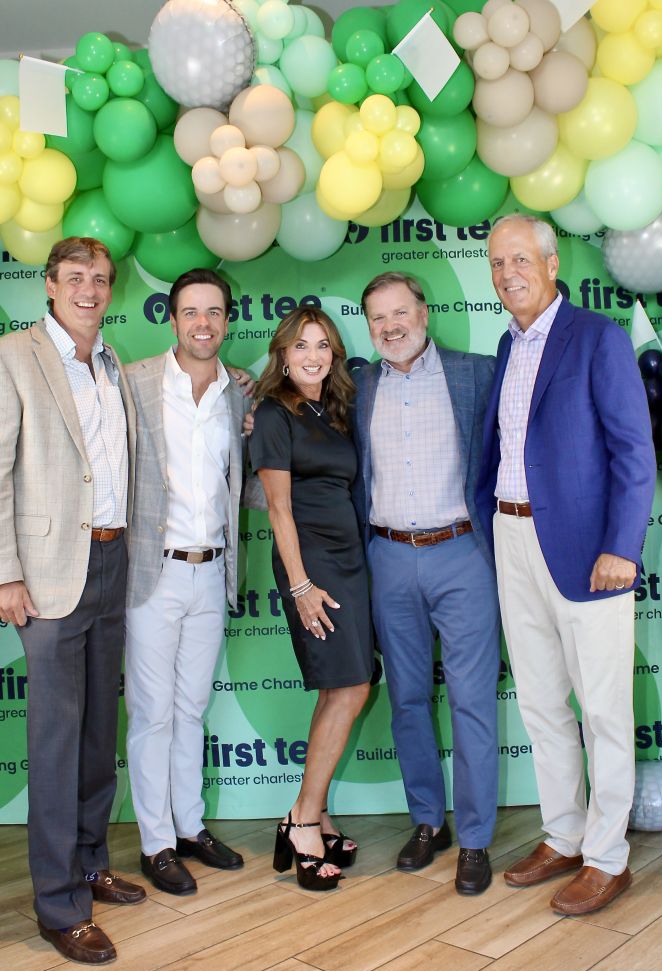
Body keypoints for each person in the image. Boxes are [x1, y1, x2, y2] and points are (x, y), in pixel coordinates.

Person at [0, 237, 145, 966]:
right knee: (57, 738)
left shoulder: (113, 365)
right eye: (75, 278)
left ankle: (91, 859)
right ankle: (58, 904)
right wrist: (1, 573)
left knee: (100, 730)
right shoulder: (9, 359)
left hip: (112, 560)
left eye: (100, 279)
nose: (89, 289)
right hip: (44, 575)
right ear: (48, 285)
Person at [477, 213, 656, 915]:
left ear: (551, 264)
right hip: (513, 539)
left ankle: (608, 859)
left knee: (603, 711)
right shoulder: (507, 344)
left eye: (519, 259)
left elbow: (633, 454)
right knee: (542, 703)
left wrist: (623, 547)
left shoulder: (598, 339)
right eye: (496, 264)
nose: (507, 274)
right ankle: (564, 836)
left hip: (589, 552)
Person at [353, 273, 499, 895]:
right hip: (387, 556)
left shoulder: (478, 373)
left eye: (399, 312)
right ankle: (425, 822)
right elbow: (292, 398)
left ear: (424, 313)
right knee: (407, 697)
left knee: (471, 701)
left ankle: (474, 838)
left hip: (462, 550)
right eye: (377, 318)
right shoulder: (356, 385)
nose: (390, 326)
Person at [124, 268, 261, 894]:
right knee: (153, 715)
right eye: (190, 312)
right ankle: (155, 843)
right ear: (172, 319)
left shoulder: (240, 394)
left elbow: (250, 485)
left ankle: (188, 825)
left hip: (214, 573)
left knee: (190, 708)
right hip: (152, 574)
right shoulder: (135, 383)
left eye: (214, 312)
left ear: (227, 320)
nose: (202, 323)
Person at [250, 306, 373, 891]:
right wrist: (300, 585)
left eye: (323, 345)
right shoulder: (274, 414)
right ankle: (300, 820)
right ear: (282, 354)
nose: (313, 356)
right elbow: (278, 508)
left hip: (350, 562)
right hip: (312, 564)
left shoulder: (336, 409)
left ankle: (315, 812)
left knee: (340, 686)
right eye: (301, 346)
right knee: (351, 686)